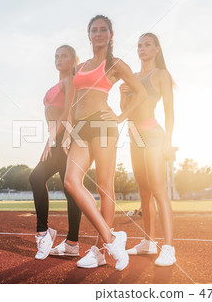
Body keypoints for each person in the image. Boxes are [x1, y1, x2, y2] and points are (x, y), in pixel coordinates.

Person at [63, 15, 147, 270]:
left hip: (103, 124)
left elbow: (141, 93)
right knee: (70, 181)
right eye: (94, 30)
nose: (98, 34)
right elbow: (73, 101)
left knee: (104, 186)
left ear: (110, 35)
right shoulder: (80, 66)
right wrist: (68, 130)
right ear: (88, 35)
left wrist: (121, 116)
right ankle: (112, 239)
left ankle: (100, 249)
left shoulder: (115, 63)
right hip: (80, 128)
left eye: (103, 30)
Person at [120, 33, 176, 266]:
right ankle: (149, 242)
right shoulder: (131, 77)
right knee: (144, 191)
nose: (142, 49)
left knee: (158, 190)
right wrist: (122, 95)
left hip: (153, 136)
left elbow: (169, 112)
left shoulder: (161, 75)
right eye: (139, 45)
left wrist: (167, 142)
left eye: (147, 45)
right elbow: (124, 110)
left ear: (157, 50)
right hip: (134, 138)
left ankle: (169, 248)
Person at [29, 45, 82, 260]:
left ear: (73, 60)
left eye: (64, 56)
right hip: (58, 137)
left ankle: (43, 232)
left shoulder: (70, 81)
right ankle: (72, 243)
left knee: (36, 177)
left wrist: (56, 137)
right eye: (56, 56)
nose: (59, 59)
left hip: (64, 139)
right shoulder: (58, 83)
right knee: (71, 191)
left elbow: (69, 110)